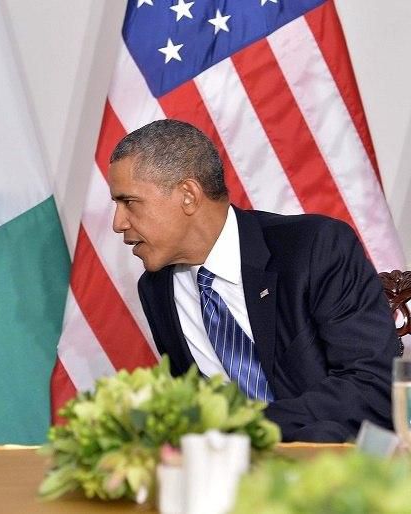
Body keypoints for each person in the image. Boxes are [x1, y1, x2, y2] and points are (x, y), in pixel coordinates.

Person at [109, 119, 400, 442]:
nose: (118, 223)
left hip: (339, 469)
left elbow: (373, 386)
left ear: (188, 195)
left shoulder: (315, 248)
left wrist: (245, 427)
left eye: (129, 202)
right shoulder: (156, 289)